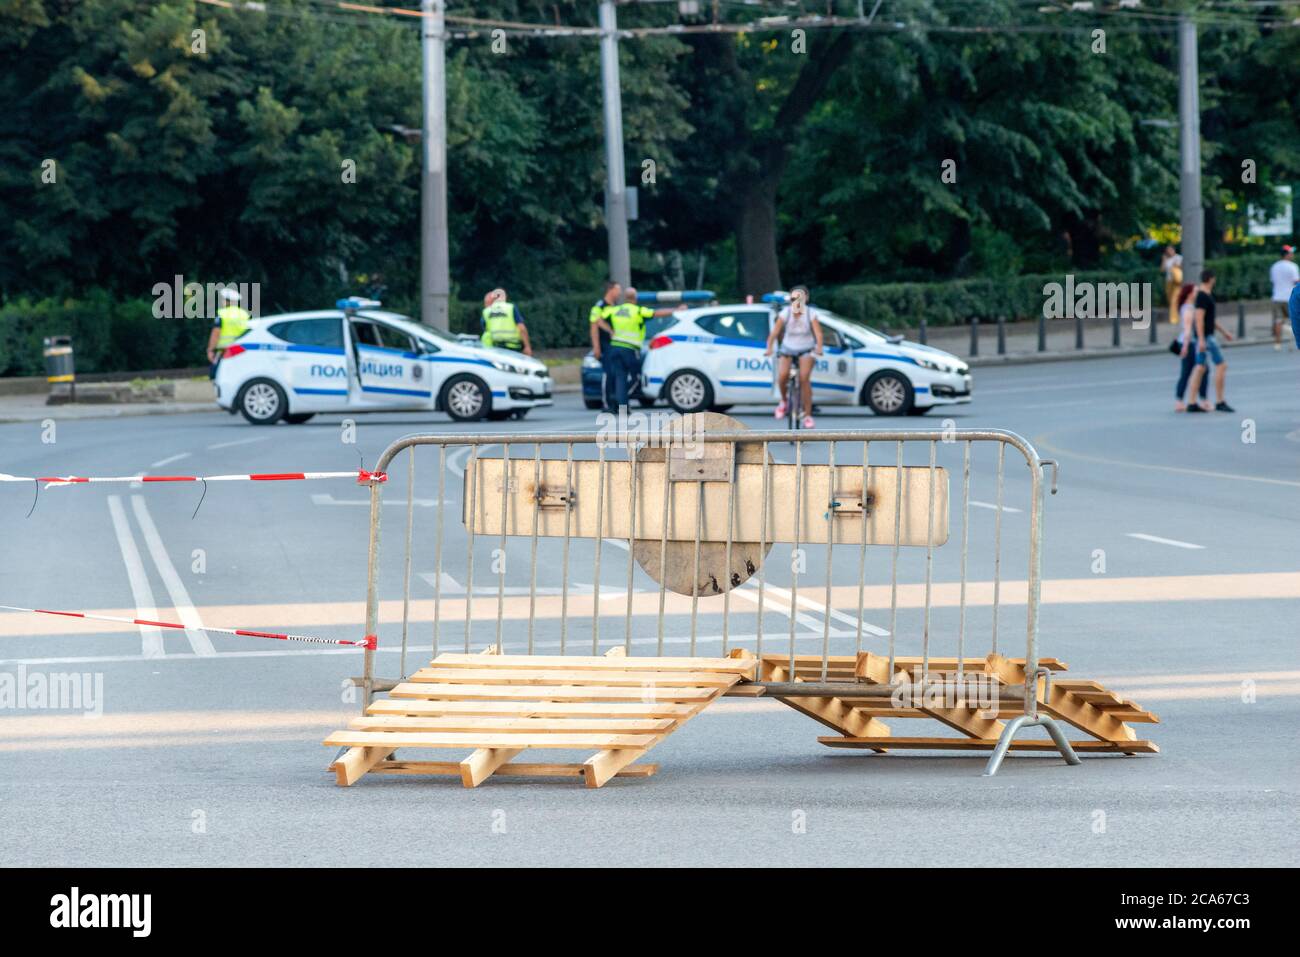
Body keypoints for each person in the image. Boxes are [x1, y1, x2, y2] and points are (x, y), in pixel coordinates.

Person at [598, 288, 677, 410]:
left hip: (615, 347)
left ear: (625, 298)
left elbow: (598, 319)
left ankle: (620, 404)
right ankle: (621, 399)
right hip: (630, 349)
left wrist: (609, 330)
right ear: (635, 298)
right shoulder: (638, 311)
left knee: (620, 377)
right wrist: (676, 310)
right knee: (637, 378)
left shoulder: (615, 310)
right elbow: (656, 313)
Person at [764, 286, 824, 429]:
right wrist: (769, 348)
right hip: (788, 348)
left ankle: (808, 416)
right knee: (783, 375)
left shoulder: (811, 314)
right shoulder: (786, 313)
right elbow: (774, 333)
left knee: (804, 378)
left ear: (806, 299)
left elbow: (819, 334)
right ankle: (784, 401)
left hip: (806, 348)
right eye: (793, 299)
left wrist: (819, 348)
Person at [1183, 269, 1234, 413]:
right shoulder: (1203, 296)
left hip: (1205, 336)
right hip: (1206, 337)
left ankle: (1192, 402)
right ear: (1211, 279)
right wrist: (1200, 340)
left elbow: (1210, 319)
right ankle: (1220, 401)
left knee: (1200, 367)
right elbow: (1198, 319)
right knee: (1221, 365)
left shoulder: (1204, 295)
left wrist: (1224, 332)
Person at [1172, 283, 1208, 412]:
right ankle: (1197, 400)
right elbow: (1187, 330)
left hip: (1190, 343)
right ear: (1190, 294)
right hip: (1189, 343)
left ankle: (1182, 401)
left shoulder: (1190, 307)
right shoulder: (1188, 309)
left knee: (1196, 371)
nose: (1198, 293)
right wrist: (1186, 347)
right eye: (1196, 291)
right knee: (1195, 371)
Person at [589, 280, 621, 413]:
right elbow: (594, 325)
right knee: (608, 375)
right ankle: (607, 404)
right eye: (618, 290)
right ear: (611, 290)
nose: (619, 293)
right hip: (605, 346)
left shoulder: (616, 306)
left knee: (616, 375)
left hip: (616, 346)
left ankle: (616, 403)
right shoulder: (600, 306)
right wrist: (596, 347)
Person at [206, 288, 251, 379]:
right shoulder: (244, 314)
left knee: (218, 375)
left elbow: (216, 333)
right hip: (241, 350)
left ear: (227, 301)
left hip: (225, 351)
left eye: (223, 299)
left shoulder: (222, 314)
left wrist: (210, 350)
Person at [480, 288, 532, 355]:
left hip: (496, 348)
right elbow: (521, 328)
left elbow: (486, 331)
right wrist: (527, 346)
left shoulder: (486, 311)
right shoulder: (510, 308)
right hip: (514, 347)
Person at [1268, 245, 1299, 350]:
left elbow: (1273, 281)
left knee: (1278, 321)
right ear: (1287, 254)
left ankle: (1277, 344)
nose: (1292, 254)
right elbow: (1296, 281)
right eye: (1291, 253)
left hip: (1277, 297)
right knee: (1294, 320)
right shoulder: (1293, 266)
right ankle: (1293, 340)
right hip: (1290, 298)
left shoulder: (1274, 266)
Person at [1161, 246, 1183, 323]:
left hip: (1177, 281)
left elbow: (1182, 267)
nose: (1169, 252)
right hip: (1169, 281)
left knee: (1174, 300)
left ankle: (1174, 319)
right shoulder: (1166, 259)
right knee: (1170, 299)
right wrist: (1164, 260)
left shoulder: (1178, 257)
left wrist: (1175, 265)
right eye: (1167, 250)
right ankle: (1177, 315)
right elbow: (1162, 270)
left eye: (1170, 250)